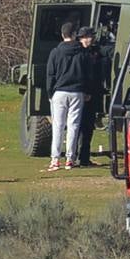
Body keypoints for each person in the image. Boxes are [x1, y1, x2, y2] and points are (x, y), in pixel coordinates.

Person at [44, 21, 91, 170]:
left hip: (60, 92)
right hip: (77, 92)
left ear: (62, 34)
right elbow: (87, 74)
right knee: (73, 126)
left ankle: (55, 159)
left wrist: (50, 92)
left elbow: (50, 74)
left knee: (58, 126)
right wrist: (87, 91)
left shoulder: (56, 52)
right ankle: (70, 158)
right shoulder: (82, 52)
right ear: (74, 34)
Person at [75, 26, 106, 167]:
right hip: (80, 93)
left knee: (87, 128)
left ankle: (84, 157)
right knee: (76, 127)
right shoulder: (78, 53)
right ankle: (75, 156)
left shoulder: (96, 52)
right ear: (82, 38)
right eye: (88, 36)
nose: (91, 39)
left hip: (92, 94)